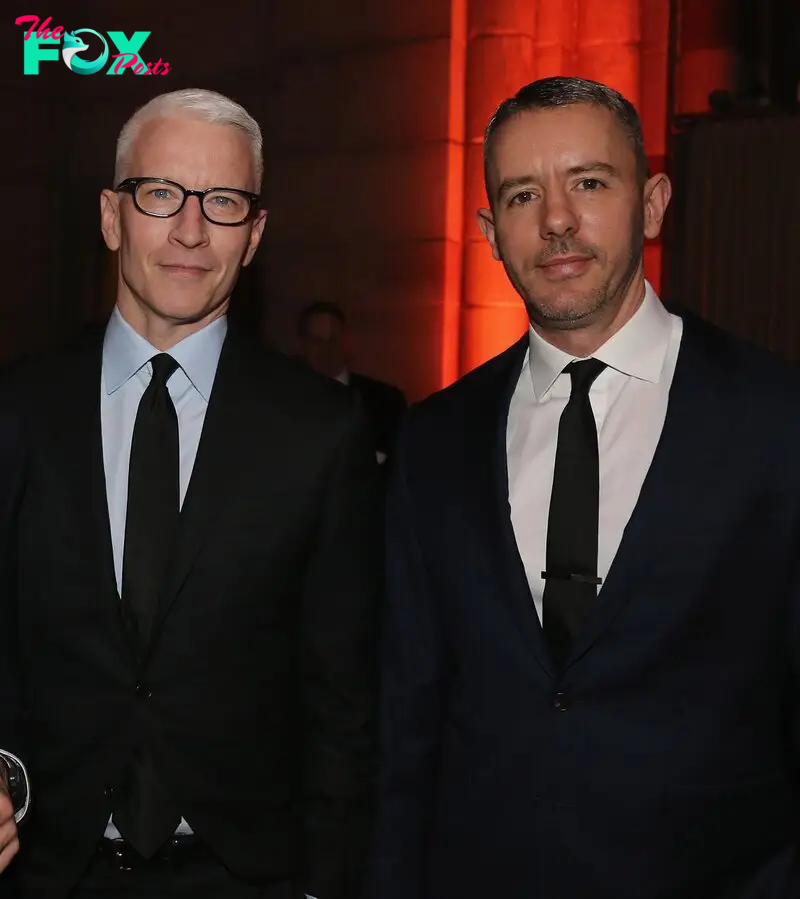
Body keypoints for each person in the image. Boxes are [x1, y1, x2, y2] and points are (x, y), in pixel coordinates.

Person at [367, 76, 800, 899]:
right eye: (523, 194)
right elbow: (408, 719)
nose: (556, 218)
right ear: (492, 232)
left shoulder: (777, 422)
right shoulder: (435, 440)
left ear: (654, 202)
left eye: (590, 183)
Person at [0, 88, 381, 899]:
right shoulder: (15, 411)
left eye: (224, 201)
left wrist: (329, 882)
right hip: (43, 871)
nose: (190, 229)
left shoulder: (321, 429)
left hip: (245, 878)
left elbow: (344, 690)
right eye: (161, 193)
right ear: (112, 217)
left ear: (255, 236)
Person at [297, 302, 407, 466]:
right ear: (303, 345)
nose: (327, 350)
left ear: (347, 342)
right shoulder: (283, 401)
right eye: (318, 341)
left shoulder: (386, 402)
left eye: (333, 340)